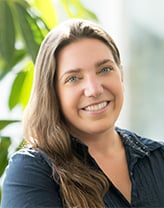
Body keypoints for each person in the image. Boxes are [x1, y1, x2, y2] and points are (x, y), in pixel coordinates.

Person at [1, 18, 164, 208]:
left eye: (105, 69)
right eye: (73, 78)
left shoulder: (159, 158)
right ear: (52, 92)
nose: (94, 89)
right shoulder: (31, 171)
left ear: (121, 74)